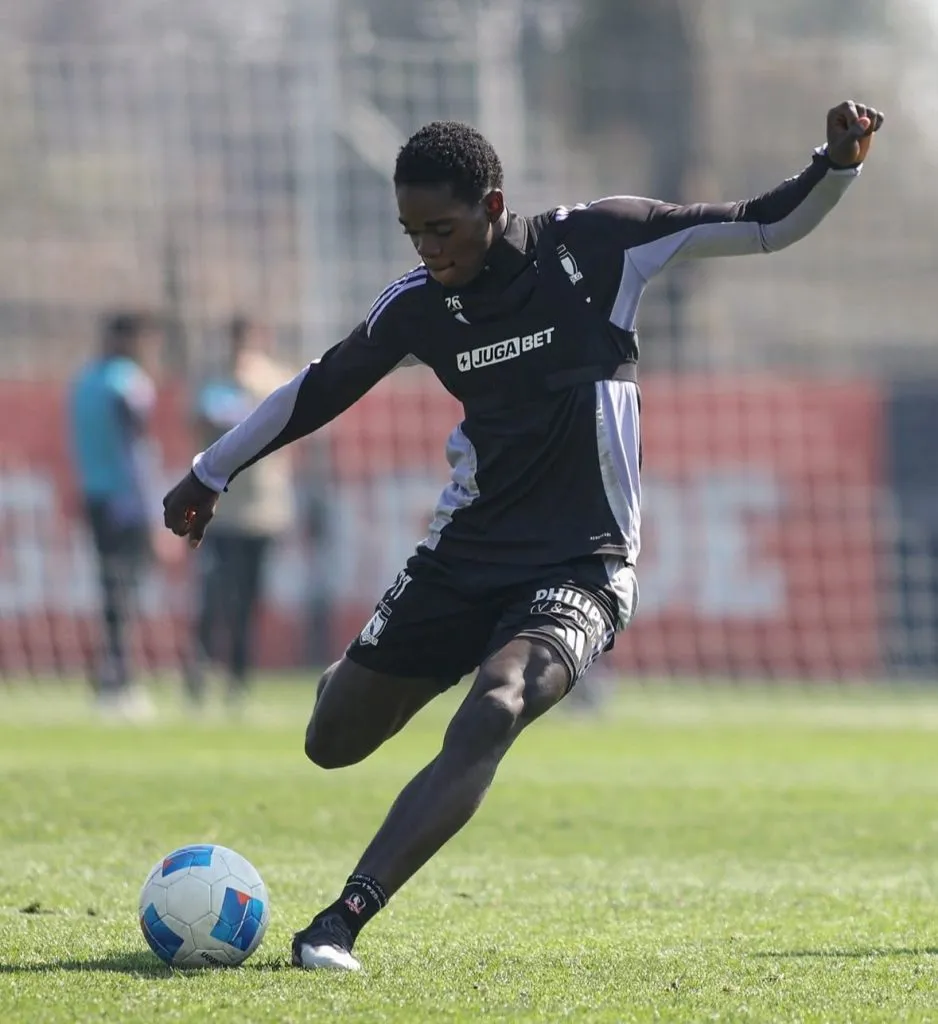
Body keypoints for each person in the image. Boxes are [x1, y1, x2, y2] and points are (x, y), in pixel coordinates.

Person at [162, 101, 883, 970]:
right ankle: (371, 668)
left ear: (494, 207)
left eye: (442, 229)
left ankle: (340, 921)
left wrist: (835, 165)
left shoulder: (601, 245)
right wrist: (210, 472)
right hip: (464, 558)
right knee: (332, 741)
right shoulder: (420, 306)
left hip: (583, 564)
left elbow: (763, 224)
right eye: (412, 233)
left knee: (496, 704)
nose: (428, 250)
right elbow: (320, 386)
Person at [185, 315, 295, 709]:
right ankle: (198, 674)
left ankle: (238, 679)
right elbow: (197, 421)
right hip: (218, 511)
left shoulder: (276, 381)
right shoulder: (211, 380)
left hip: (262, 511)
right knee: (212, 597)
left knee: (248, 600)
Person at [69, 310, 170, 718]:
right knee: (124, 591)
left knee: (110, 589)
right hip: (126, 503)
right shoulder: (127, 384)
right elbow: (135, 452)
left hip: (96, 497)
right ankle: (120, 680)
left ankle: (111, 676)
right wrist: (154, 513)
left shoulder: (84, 382)